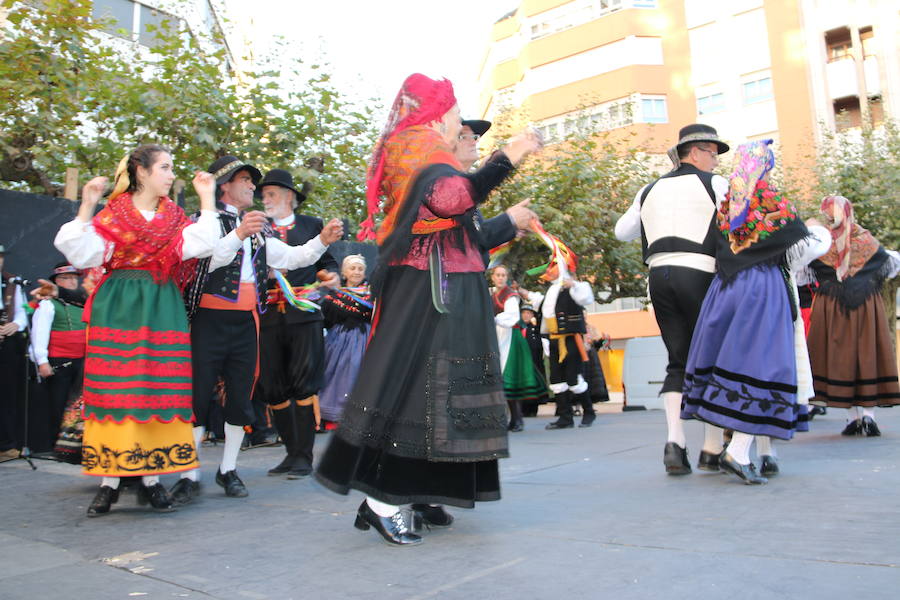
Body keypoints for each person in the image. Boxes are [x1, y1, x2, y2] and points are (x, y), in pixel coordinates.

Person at [316, 73, 542, 546]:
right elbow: (449, 199)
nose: (462, 127)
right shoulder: (419, 145)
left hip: (442, 284)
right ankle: (384, 500)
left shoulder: (418, 148)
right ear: (438, 113)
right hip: (432, 289)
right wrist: (511, 157)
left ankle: (419, 490)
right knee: (421, 387)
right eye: (458, 116)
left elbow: (462, 225)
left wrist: (505, 218)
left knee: (439, 388)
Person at [53, 144, 221, 516]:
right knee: (119, 393)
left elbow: (204, 243)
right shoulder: (114, 215)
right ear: (141, 171)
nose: (171, 174)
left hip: (161, 306)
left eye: (171, 167)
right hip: (119, 307)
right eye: (164, 167)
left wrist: (207, 197)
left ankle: (152, 480)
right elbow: (79, 252)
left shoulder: (176, 218)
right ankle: (109, 484)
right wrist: (87, 204)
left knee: (156, 391)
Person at [174, 158, 342, 501]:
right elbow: (204, 262)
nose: (253, 187)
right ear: (225, 185)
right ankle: (188, 473)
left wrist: (322, 241)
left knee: (241, 394)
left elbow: (292, 258)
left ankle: (228, 470)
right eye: (246, 180)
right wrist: (238, 233)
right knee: (198, 393)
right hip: (208, 319)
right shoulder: (202, 221)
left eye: (254, 182)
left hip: (247, 321)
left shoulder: (258, 227)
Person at [680, 140, 831, 484]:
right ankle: (740, 452)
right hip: (762, 288)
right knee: (763, 367)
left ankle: (728, 448)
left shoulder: (727, 204)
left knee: (731, 369)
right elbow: (803, 245)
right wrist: (822, 233)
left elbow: (710, 250)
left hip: (725, 289)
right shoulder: (771, 200)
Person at [614, 123, 730, 475]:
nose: (716, 162)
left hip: (659, 276)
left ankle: (675, 443)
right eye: (713, 153)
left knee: (678, 360)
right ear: (695, 152)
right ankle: (711, 448)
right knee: (710, 358)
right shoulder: (716, 184)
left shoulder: (649, 189)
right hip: (700, 273)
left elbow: (622, 232)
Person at [255, 168, 340, 479]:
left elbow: (327, 263)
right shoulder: (256, 227)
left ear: (289, 196)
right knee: (273, 386)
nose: (266, 199)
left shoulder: (311, 226)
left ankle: (303, 455)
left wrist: (329, 276)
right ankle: (291, 453)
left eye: (272, 194)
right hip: (267, 316)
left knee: (304, 382)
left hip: (303, 314)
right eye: (263, 195)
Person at [806, 195, 900, 435]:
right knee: (866, 353)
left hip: (831, 304)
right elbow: (889, 265)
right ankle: (867, 417)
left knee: (839, 356)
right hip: (866, 304)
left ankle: (854, 418)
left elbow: (804, 268)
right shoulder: (866, 240)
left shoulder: (823, 241)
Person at [526, 242, 595, 429]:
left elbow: (586, 298)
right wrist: (523, 292)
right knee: (556, 379)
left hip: (571, 339)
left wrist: (573, 284)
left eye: (554, 265)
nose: (550, 269)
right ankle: (565, 416)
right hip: (554, 339)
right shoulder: (552, 290)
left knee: (573, 377)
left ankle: (589, 412)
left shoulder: (575, 286)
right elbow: (544, 306)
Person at [456, 119, 536, 264]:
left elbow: (477, 241)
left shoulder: (462, 193)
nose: (474, 142)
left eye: (474, 137)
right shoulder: (440, 188)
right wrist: (510, 220)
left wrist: (510, 230)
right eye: (463, 136)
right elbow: (463, 241)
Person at [29, 263, 87, 449]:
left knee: (78, 404)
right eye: (67, 278)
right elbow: (39, 332)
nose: (71, 282)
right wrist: (42, 361)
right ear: (57, 282)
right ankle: (55, 443)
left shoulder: (83, 302)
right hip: (60, 361)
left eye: (74, 278)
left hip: (82, 359)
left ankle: (74, 443)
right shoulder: (48, 304)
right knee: (58, 401)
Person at [490, 264, 547, 431]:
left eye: (503, 275)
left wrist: (493, 319)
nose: (500, 278)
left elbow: (512, 316)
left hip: (511, 339)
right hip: (498, 336)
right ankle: (511, 418)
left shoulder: (511, 295)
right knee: (503, 380)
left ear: (506, 277)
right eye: (497, 275)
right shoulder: (493, 294)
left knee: (510, 379)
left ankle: (517, 418)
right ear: (493, 277)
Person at [318, 254, 373, 427]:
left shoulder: (372, 295)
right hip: (338, 343)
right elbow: (326, 319)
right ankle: (334, 415)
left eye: (360, 269)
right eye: (352, 268)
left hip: (365, 341)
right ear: (344, 272)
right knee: (335, 373)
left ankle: (359, 417)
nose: (357, 272)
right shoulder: (334, 296)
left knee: (360, 374)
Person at [0, 244, 28, 462]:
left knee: (7, 394)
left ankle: (7, 445)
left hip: (6, 343)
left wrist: (16, 325)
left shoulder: (12, 282)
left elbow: (24, 311)